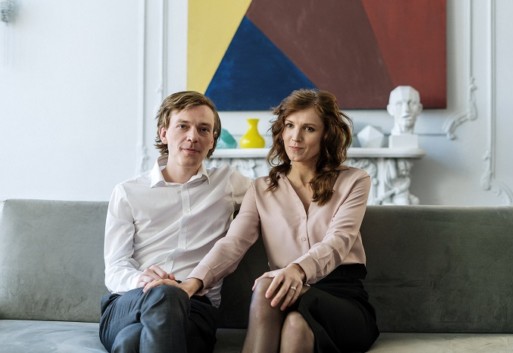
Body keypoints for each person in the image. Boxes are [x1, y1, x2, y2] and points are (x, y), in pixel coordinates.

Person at [145, 88, 380, 353]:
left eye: (309, 129)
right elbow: (233, 244)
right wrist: (193, 282)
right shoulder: (261, 189)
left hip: (341, 299)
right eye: (289, 125)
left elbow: (340, 240)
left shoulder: (354, 181)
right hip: (283, 295)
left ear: (326, 134)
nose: (295, 137)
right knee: (294, 327)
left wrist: (298, 270)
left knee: (273, 291)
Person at [99, 91, 251, 353]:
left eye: (204, 129)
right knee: (164, 296)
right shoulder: (128, 192)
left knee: (130, 342)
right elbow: (114, 269)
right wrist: (145, 281)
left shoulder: (229, 183)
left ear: (213, 139)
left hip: (196, 308)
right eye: (183, 126)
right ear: (163, 133)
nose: (193, 136)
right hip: (129, 301)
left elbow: (283, 195)